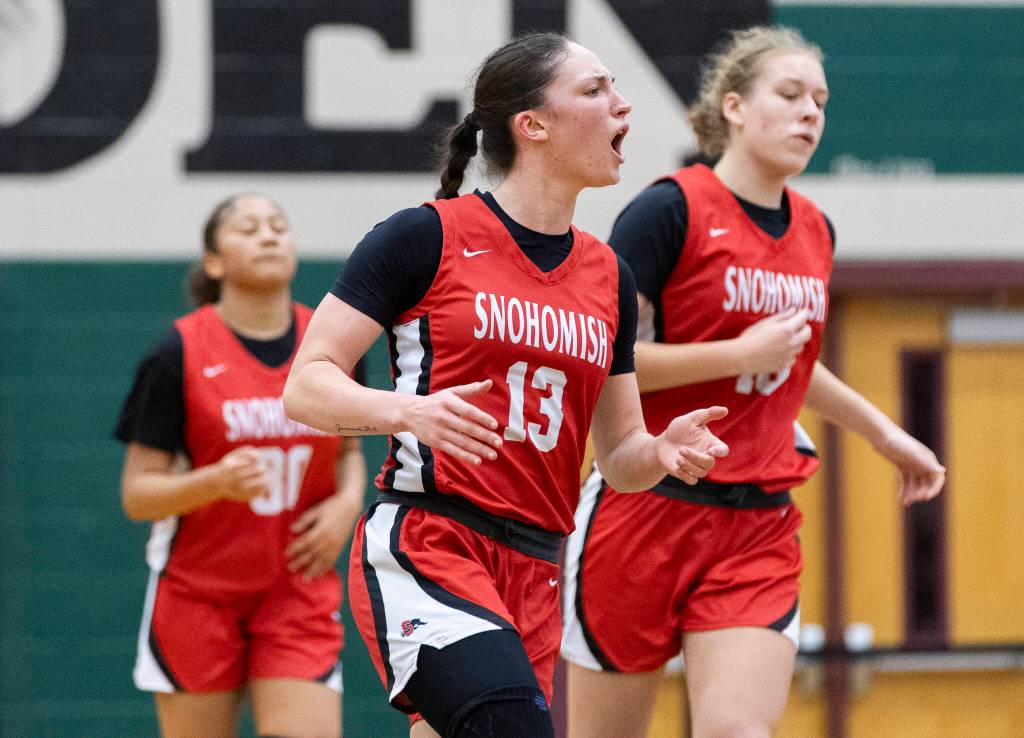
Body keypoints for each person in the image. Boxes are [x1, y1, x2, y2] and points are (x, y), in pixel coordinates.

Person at [282, 32, 730, 738]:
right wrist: (407, 411)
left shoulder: (608, 276)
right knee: (512, 726)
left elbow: (619, 457)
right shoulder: (424, 236)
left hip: (536, 569)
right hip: (432, 543)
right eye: (595, 90)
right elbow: (305, 386)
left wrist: (661, 452)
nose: (623, 106)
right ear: (533, 124)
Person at [560, 25, 947, 738]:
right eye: (791, 94)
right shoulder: (668, 209)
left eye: (821, 102)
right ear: (733, 107)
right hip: (644, 504)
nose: (810, 114)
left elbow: (795, 366)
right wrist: (732, 355)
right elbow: (601, 356)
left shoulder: (816, 231)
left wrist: (886, 434)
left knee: (738, 732)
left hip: (755, 523)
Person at [116, 193, 366, 738]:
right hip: (198, 593)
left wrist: (348, 504)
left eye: (279, 225)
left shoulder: (330, 345)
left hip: (297, 589)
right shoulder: (175, 352)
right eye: (248, 228)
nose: (269, 235)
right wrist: (216, 481)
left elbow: (349, 449)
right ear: (214, 262)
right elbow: (137, 494)